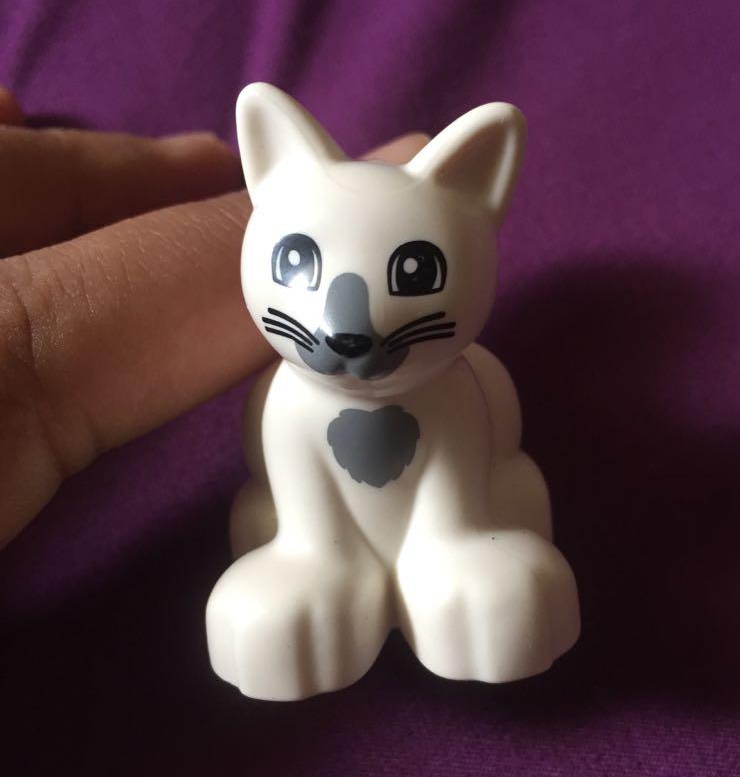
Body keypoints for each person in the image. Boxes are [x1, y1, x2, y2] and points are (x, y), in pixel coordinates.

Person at [0, 86, 425, 548]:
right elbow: (293, 475)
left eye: (416, 271)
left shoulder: (456, 387)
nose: (344, 328)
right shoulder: (284, 403)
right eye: (296, 260)